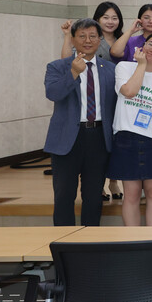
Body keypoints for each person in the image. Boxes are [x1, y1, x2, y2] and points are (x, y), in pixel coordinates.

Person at [44, 18, 118, 226]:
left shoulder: (110, 69)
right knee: (64, 196)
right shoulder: (58, 67)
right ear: (73, 39)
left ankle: (90, 241)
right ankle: (63, 242)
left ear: (100, 39)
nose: (87, 40)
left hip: (98, 138)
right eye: (82, 36)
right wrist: (74, 72)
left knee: (93, 197)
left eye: (93, 36)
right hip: (67, 139)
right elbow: (53, 93)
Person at [107, 32, 152, 226]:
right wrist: (141, 65)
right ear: (142, 46)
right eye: (150, 44)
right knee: (131, 194)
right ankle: (134, 239)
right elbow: (129, 91)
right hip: (126, 138)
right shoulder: (124, 67)